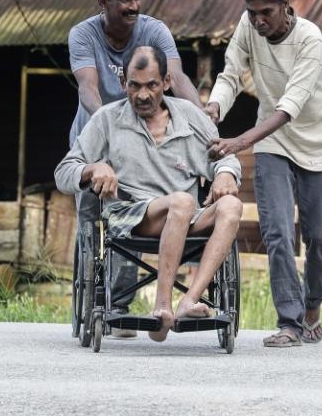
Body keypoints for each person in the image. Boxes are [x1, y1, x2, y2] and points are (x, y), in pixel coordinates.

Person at [56, 46, 243, 343]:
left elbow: (225, 157)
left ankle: (188, 301)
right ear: (123, 84)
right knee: (181, 201)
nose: (143, 95)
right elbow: (64, 172)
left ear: (166, 82)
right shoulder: (107, 119)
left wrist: (224, 173)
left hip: (184, 217)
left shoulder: (191, 117)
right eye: (135, 85)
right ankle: (162, 306)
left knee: (231, 206)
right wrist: (93, 168)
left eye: (151, 85)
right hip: (132, 216)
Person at [205, 0, 322, 348]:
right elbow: (231, 72)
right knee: (278, 232)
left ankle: (312, 304)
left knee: (318, 235)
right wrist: (215, 105)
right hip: (273, 144)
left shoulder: (309, 38)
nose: (258, 20)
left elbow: (290, 108)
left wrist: (239, 142)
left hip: (319, 142)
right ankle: (289, 321)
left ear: (286, 6)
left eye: (266, 12)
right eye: (252, 13)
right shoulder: (248, 26)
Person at [67, 0, 202, 337]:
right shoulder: (83, 35)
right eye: (124, 0)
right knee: (95, 219)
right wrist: (111, 126)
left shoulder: (154, 30)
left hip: (142, 140)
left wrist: (201, 118)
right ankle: (95, 296)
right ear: (103, 2)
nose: (133, 6)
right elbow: (88, 88)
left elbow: (178, 79)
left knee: (133, 209)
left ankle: (121, 304)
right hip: (98, 134)